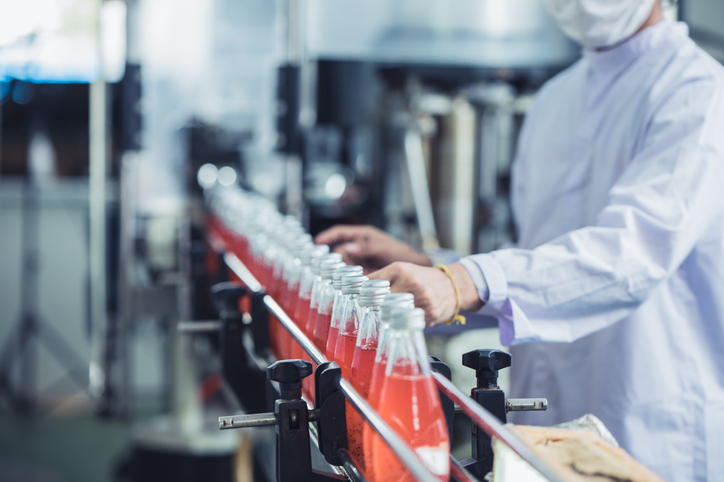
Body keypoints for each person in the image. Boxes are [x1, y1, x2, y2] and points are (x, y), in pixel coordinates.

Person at [315, 0, 724, 479]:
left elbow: (631, 256)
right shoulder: (555, 99)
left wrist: (463, 281)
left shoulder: (699, 92)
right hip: (541, 426)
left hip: (651, 422)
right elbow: (539, 263)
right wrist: (431, 266)